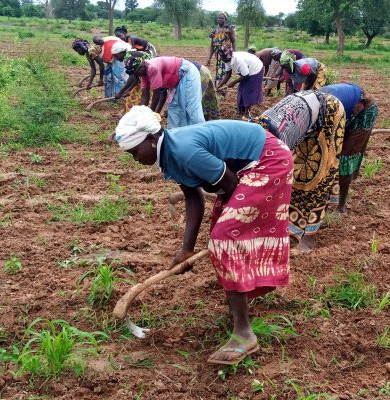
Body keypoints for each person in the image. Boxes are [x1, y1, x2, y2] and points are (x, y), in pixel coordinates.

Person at [111, 106, 294, 366]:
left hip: (268, 162)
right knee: (221, 230)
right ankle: (239, 297)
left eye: (134, 152)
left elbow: (230, 184)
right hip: (249, 166)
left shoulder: (184, 150)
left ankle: (244, 333)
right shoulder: (169, 151)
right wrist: (187, 249)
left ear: (151, 141)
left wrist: (230, 228)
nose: (135, 159)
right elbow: (193, 196)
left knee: (225, 237)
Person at [250, 91, 345, 252]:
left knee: (317, 175)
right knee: (298, 172)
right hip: (304, 117)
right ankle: (289, 222)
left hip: (329, 112)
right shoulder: (254, 128)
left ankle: (309, 239)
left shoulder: (277, 142)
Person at [319, 83, 379, 214]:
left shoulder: (327, 106)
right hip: (347, 108)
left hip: (363, 109)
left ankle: (341, 205)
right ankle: (329, 193)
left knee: (345, 155)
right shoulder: (315, 103)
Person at [120, 56, 205, 128]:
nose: (136, 76)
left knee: (192, 107)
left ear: (140, 67)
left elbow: (156, 94)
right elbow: (144, 97)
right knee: (174, 109)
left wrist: (150, 115)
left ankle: (202, 131)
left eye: (136, 73)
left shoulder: (152, 68)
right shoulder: (143, 74)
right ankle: (177, 134)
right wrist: (136, 113)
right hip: (176, 82)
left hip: (187, 73)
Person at [215, 46, 264, 117]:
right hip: (246, 71)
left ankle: (247, 112)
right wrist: (220, 85)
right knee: (241, 89)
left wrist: (234, 82)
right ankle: (241, 109)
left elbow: (246, 75)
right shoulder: (226, 59)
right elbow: (228, 74)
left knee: (247, 91)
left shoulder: (237, 60)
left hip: (255, 69)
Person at [207, 12, 236, 86]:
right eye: (219, 18)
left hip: (227, 54)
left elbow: (234, 41)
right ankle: (219, 88)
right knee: (219, 70)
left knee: (225, 71)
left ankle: (221, 89)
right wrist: (209, 58)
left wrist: (235, 53)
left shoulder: (229, 28)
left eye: (222, 18)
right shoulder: (214, 31)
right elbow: (212, 45)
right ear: (217, 19)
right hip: (218, 55)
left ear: (225, 19)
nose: (220, 19)